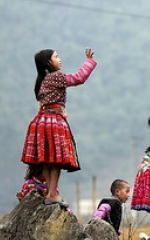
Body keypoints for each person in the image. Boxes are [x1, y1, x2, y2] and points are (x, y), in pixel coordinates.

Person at [21, 48, 97, 208]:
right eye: (56, 57)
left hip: (42, 121)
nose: (60, 59)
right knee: (56, 160)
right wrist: (89, 62)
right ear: (48, 62)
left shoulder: (42, 80)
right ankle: (53, 194)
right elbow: (79, 78)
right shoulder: (56, 77)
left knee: (48, 160)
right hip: (54, 122)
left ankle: (50, 192)